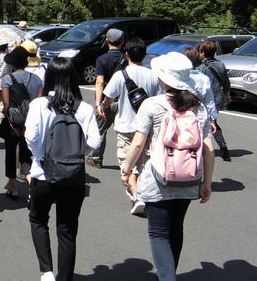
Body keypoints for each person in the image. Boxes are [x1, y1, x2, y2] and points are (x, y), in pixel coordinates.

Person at [121, 52, 215, 281]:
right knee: (176, 228)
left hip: (158, 178)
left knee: (158, 234)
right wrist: (207, 182)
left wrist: (126, 168)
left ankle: (167, 277)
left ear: (164, 79)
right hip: (189, 177)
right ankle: (169, 273)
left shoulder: (152, 104)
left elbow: (137, 143)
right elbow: (209, 147)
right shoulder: (199, 108)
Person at [25, 57, 101, 281]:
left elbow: (31, 136)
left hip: (42, 173)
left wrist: (39, 155)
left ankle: (47, 271)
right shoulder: (84, 108)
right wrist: (77, 154)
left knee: (38, 220)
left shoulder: (39, 105)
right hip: (73, 176)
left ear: (48, 78)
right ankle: (65, 277)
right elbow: (95, 142)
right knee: (67, 229)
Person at [99, 38, 161, 215]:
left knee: (126, 163)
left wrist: (102, 106)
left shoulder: (121, 75)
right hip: (147, 127)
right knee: (143, 163)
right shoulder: (153, 75)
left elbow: (108, 97)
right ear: (144, 55)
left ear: (126, 54)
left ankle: (136, 195)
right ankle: (141, 193)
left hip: (125, 126)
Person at [0, 46, 44, 199]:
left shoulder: (7, 79)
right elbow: (38, 103)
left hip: (13, 123)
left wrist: (10, 122)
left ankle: (14, 190)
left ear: (12, 64)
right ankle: (31, 185)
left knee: (11, 155)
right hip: (31, 122)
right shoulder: (37, 79)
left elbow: (6, 105)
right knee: (26, 156)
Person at [87, 28, 125, 168]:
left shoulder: (102, 59)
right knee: (125, 131)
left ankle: (96, 158)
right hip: (123, 100)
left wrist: (98, 103)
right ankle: (128, 160)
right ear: (122, 42)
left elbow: (100, 82)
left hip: (106, 100)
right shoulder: (126, 59)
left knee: (100, 129)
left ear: (107, 40)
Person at [198, 41, 231, 161]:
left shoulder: (201, 67)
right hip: (217, 98)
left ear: (202, 52)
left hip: (204, 99)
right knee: (213, 122)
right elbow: (226, 81)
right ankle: (222, 145)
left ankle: (202, 147)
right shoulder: (220, 64)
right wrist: (227, 94)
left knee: (202, 123)